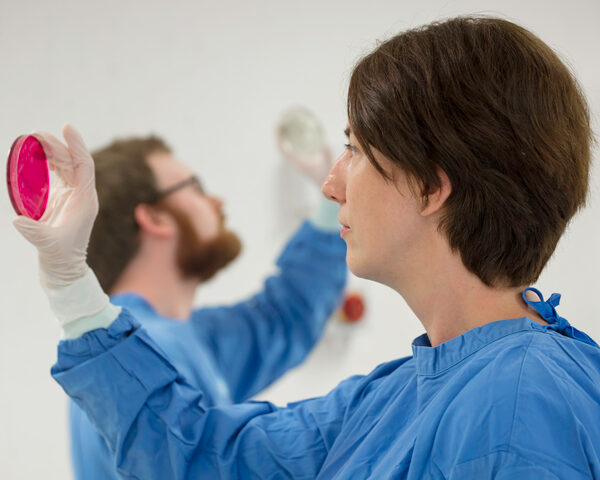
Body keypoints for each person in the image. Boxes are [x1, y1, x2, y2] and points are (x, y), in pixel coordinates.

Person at [16, 16, 600, 479]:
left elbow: (280, 319)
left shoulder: (524, 407)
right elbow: (205, 458)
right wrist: (68, 282)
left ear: (429, 186)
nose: (331, 182)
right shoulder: (390, 399)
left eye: (358, 151)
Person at [57, 135, 347, 479]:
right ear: (154, 218)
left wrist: (332, 207)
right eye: (195, 188)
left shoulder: (177, 341)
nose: (216, 201)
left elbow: (283, 317)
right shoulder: (146, 355)